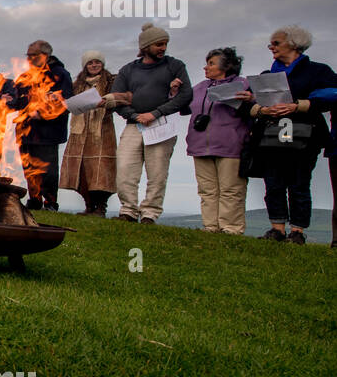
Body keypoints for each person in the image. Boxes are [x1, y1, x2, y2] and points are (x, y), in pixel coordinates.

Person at [239, 26, 337, 244]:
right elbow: (251, 106)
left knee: (299, 183)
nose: (270, 47)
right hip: (271, 135)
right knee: (273, 182)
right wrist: (261, 108)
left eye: (276, 43)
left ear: (294, 44)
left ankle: (298, 231)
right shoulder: (266, 76)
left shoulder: (318, 71)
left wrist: (298, 106)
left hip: (305, 136)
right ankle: (277, 228)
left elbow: (333, 94)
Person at [110, 23, 193, 223]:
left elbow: (185, 95)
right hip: (134, 125)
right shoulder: (128, 70)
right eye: (158, 44)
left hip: (162, 125)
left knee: (157, 173)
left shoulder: (175, 66)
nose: (163, 48)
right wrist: (135, 115)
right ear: (145, 46)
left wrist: (155, 113)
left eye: (165, 44)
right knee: (125, 170)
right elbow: (116, 99)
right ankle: (128, 211)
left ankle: (149, 213)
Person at [185, 47, 251, 234]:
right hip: (200, 145)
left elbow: (257, 106)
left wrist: (251, 99)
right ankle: (211, 226)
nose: (206, 68)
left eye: (211, 63)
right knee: (207, 190)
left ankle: (231, 228)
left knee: (231, 189)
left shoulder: (243, 84)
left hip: (231, 145)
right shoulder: (200, 87)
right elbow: (182, 104)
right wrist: (174, 92)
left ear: (227, 65)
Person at [60, 51, 126, 216]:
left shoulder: (111, 81)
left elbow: (120, 99)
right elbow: (68, 102)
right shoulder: (77, 84)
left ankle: (100, 207)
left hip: (101, 131)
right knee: (81, 170)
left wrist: (107, 100)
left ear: (102, 64)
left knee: (101, 171)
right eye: (90, 63)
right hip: (79, 132)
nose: (94, 65)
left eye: (97, 62)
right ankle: (88, 205)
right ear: (85, 66)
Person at [11, 41, 73, 211]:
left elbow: (65, 102)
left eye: (34, 55)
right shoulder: (25, 76)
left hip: (48, 131)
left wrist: (42, 113)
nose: (30, 59)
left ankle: (50, 202)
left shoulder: (60, 74)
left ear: (46, 55)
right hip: (26, 130)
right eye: (28, 55)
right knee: (30, 168)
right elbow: (18, 100)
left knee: (48, 169)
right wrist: (9, 101)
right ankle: (34, 199)